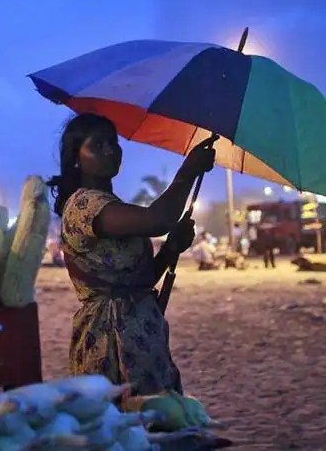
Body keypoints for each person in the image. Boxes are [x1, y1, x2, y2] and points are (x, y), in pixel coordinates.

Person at [46, 113, 216, 399]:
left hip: (140, 334)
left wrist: (171, 248)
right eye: (97, 146)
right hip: (110, 340)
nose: (110, 151)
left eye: (113, 143)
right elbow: (157, 219)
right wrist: (188, 172)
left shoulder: (111, 205)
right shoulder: (84, 204)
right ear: (76, 158)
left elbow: (141, 278)